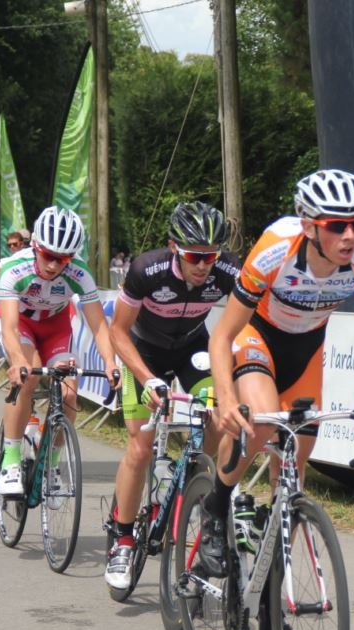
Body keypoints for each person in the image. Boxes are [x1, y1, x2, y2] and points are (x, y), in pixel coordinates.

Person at [200, 169, 354, 578]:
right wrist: (227, 400)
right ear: (308, 226)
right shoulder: (275, 250)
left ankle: (270, 571)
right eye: (337, 226)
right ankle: (215, 507)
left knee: (297, 455)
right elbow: (223, 335)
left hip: (307, 347)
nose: (350, 236)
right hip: (258, 336)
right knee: (262, 425)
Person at [104, 201, 241, 590]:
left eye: (210, 256)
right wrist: (147, 379)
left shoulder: (229, 270)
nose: (203, 265)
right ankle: (123, 540)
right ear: (173, 248)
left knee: (221, 416)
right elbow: (118, 332)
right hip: (143, 351)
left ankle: (191, 477)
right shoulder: (147, 270)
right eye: (194, 256)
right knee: (140, 447)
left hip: (192, 348)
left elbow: (248, 322)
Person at [0, 207, 120, 496]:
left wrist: (110, 362)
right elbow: (9, 327)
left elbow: (99, 325)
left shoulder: (79, 272)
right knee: (28, 376)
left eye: (62, 259)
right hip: (22, 324)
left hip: (55, 327)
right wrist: (17, 361)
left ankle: (50, 463)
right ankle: (10, 460)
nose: (53, 265)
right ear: (35, 245)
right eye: (48, 255)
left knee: (69, 394)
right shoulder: (15, 268)